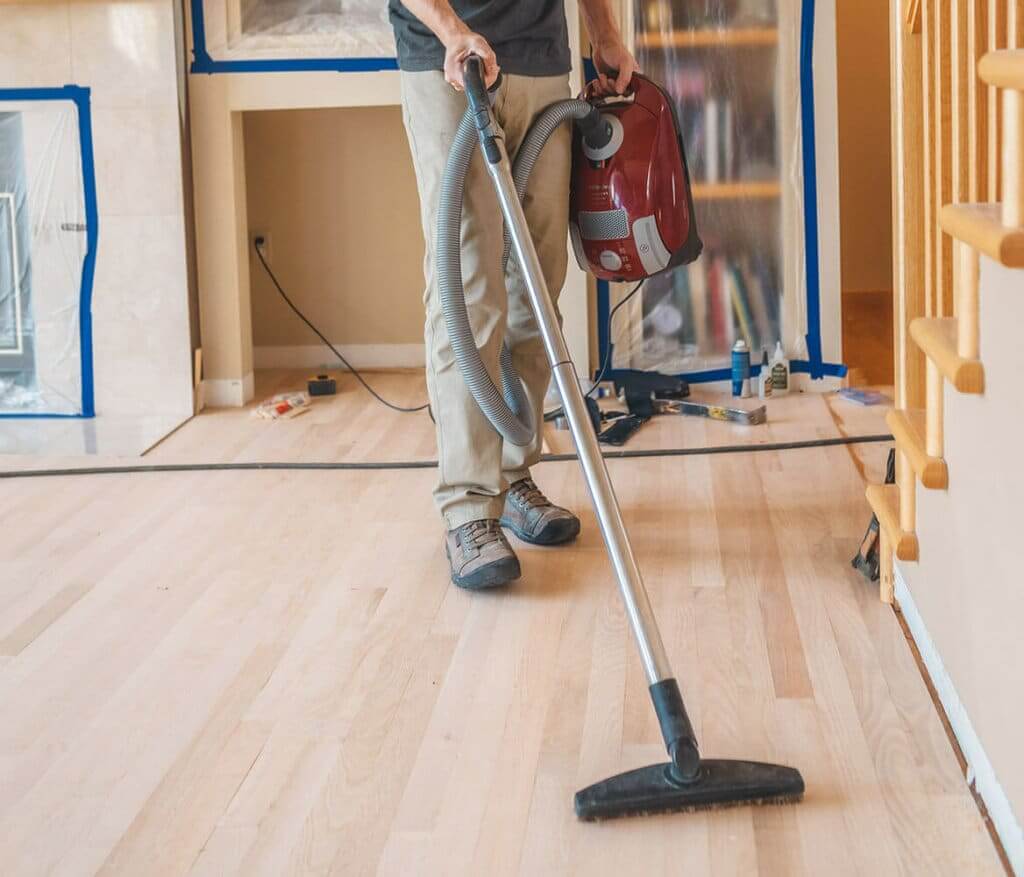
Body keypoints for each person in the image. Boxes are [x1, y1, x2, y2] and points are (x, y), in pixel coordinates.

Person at [389, 0, 638, 590]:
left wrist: (603, 31)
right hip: (448, 58)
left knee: (537, 284)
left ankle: (512, 474)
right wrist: (452, 31)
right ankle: (469, 508)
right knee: (468, 286)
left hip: (540, 60)